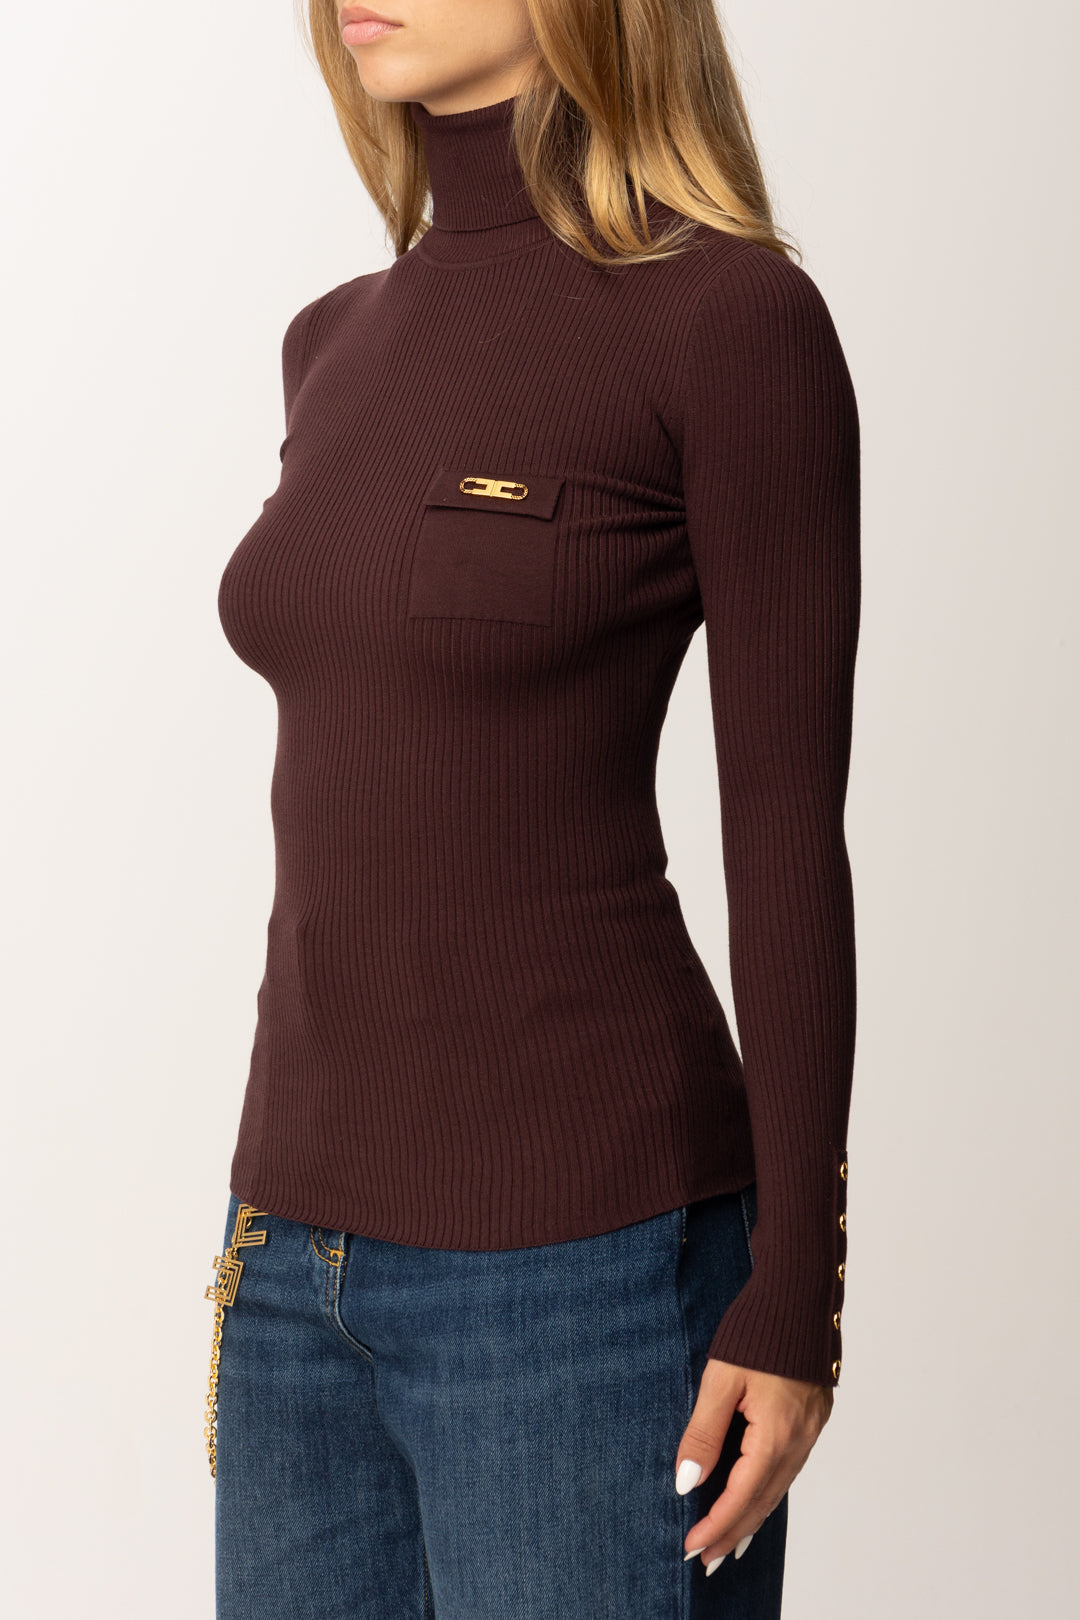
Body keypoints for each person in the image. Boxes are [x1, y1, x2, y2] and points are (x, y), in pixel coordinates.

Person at [203, 2, 860, 1616]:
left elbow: (786, 840)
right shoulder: (333, 339)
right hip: (289, 1257)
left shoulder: (728, 319)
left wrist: (796, 1290)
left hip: (584, 1273)